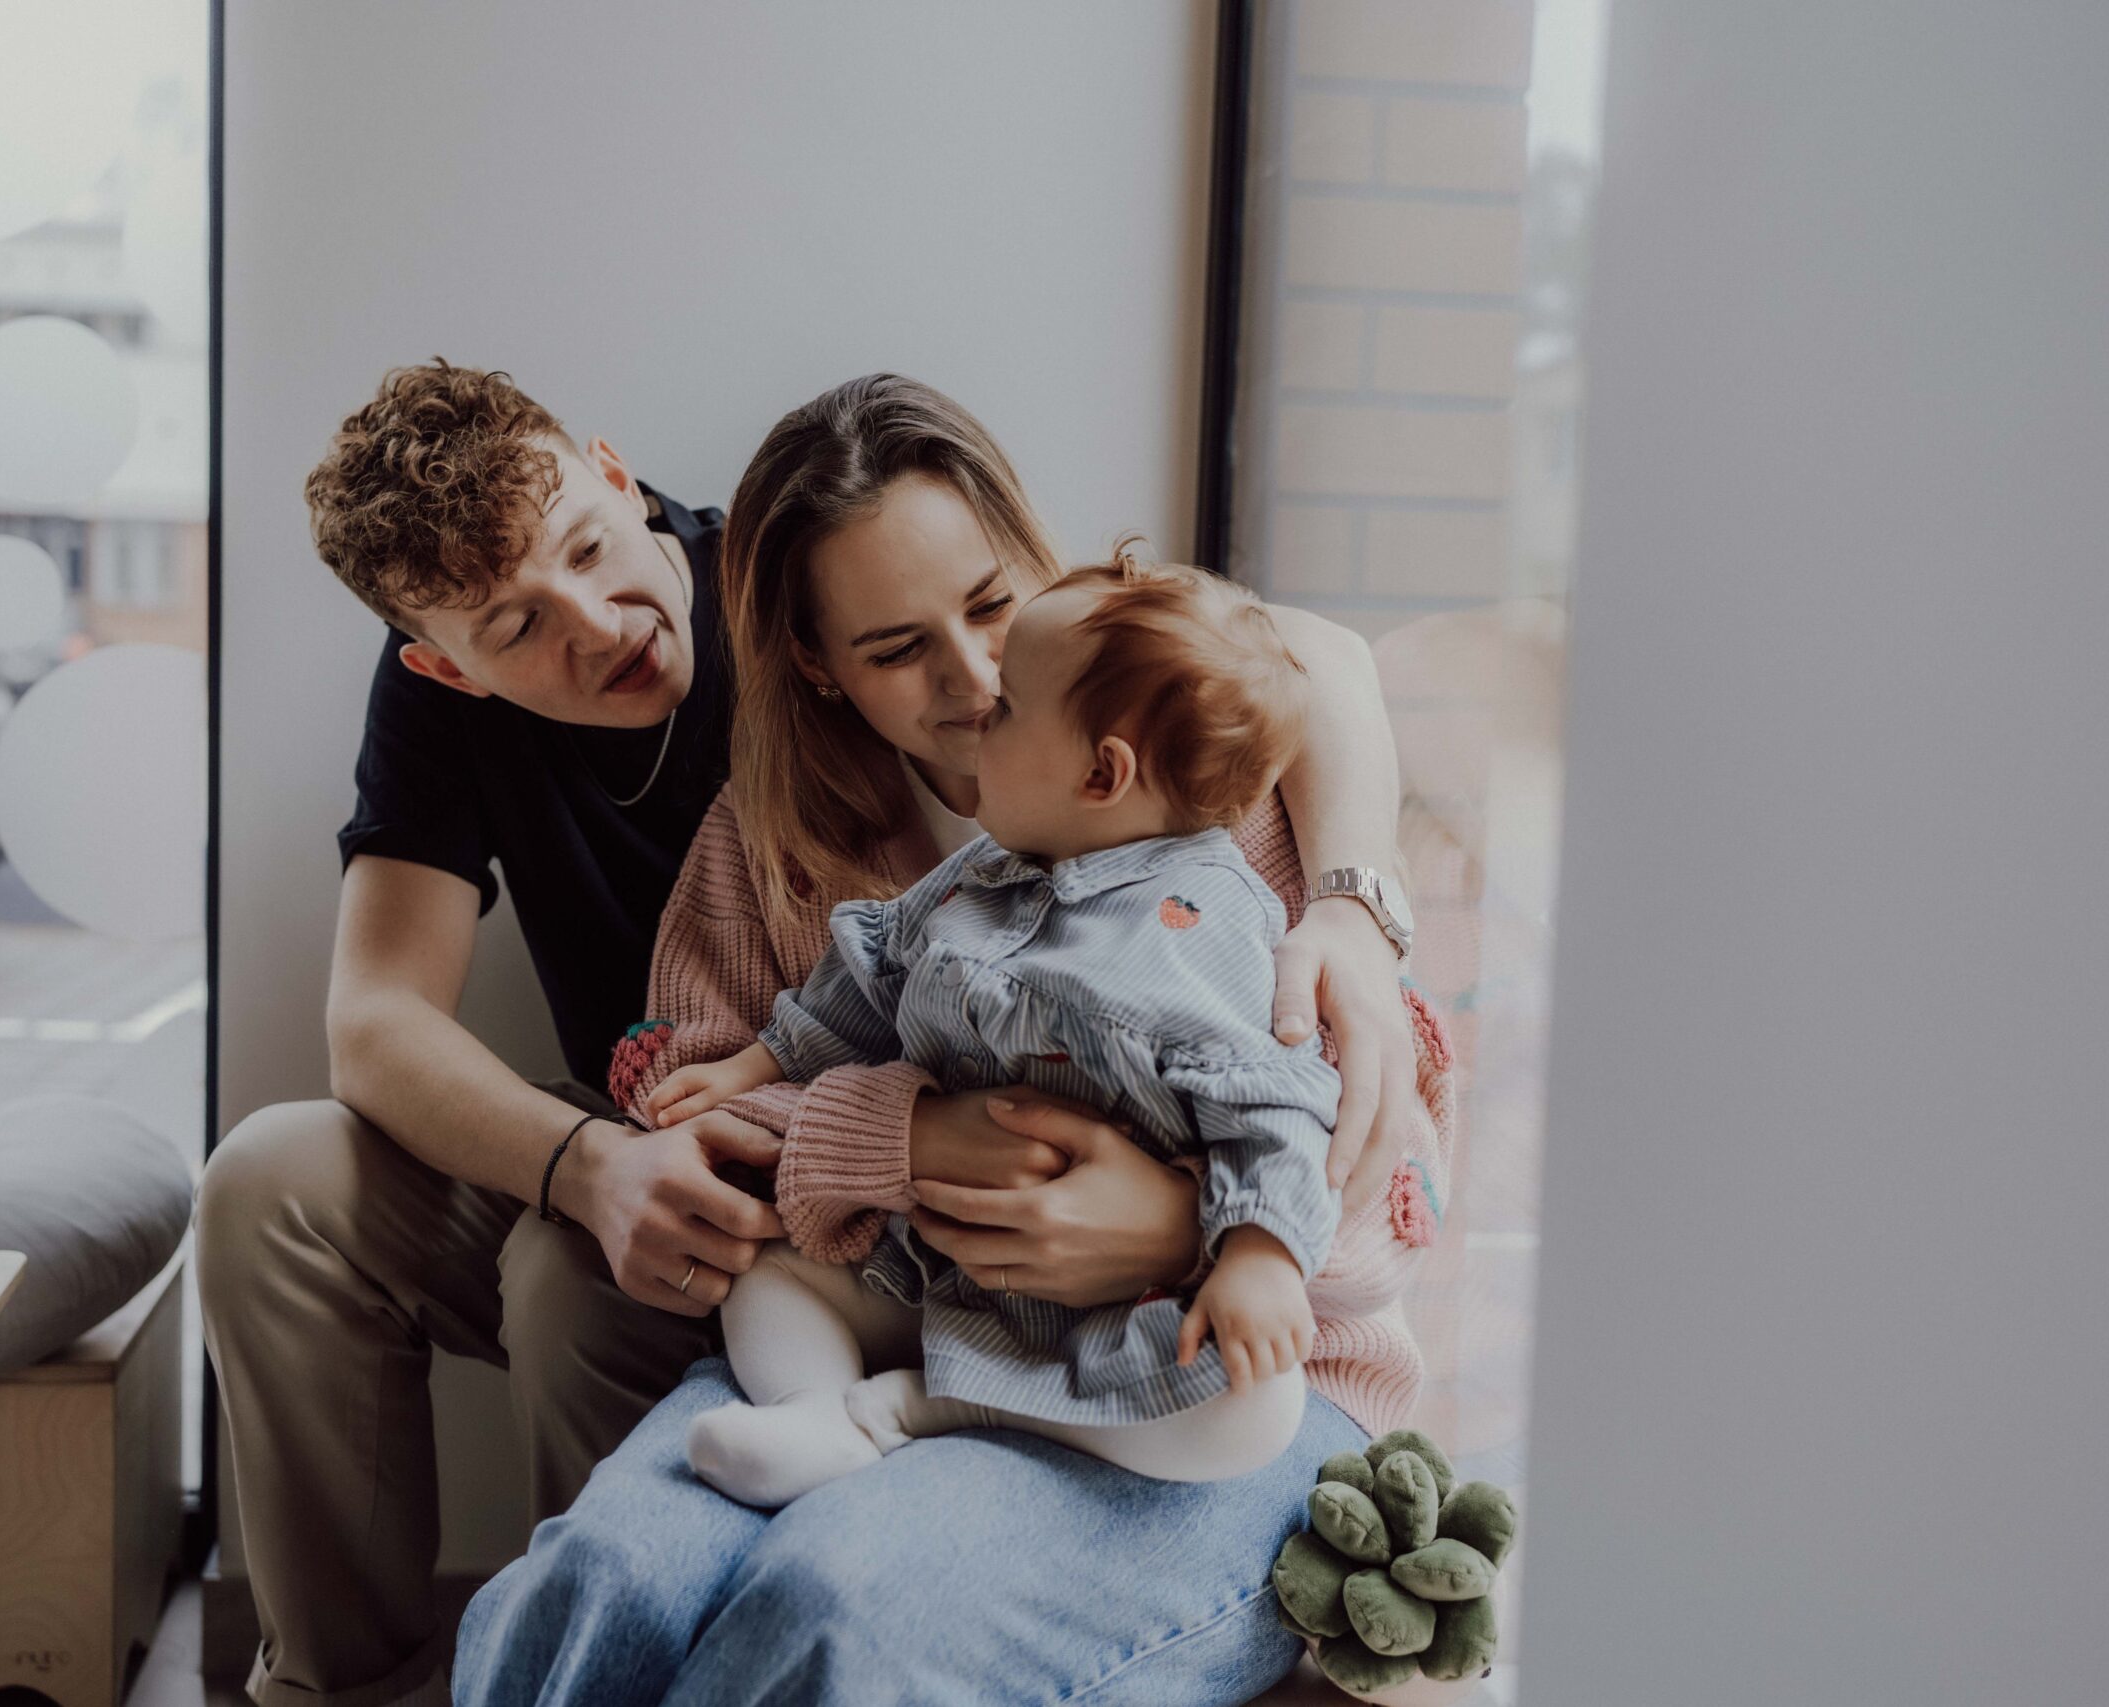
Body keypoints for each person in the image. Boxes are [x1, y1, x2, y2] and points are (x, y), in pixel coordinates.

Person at [452, 376, 1454, 1706]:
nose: (975, 681)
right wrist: (906, 1135)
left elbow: (1374, 1186)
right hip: (905, 1332)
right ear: (819, 663)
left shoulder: (1222, 809)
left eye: (990, 605)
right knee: (602, 1581)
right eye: (894, 648)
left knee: (835, 1604)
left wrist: (1183, 1227)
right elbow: (697, 1133)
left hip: (1217, 1381)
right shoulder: (767, 852)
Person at [655, 556, 1386, 1504]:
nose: (977, 713)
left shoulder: (1199, 927)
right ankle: (813, 1409)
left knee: (1255, 1405)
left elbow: (1276, 1101)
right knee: (770, 1276)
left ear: (1101, 772)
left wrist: (1260, 1254)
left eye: (1004, 709)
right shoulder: (979, 876)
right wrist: (758, 1061)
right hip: (938, 1270)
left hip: (1113, 1312)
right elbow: (868, 972)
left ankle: (915, 1411)